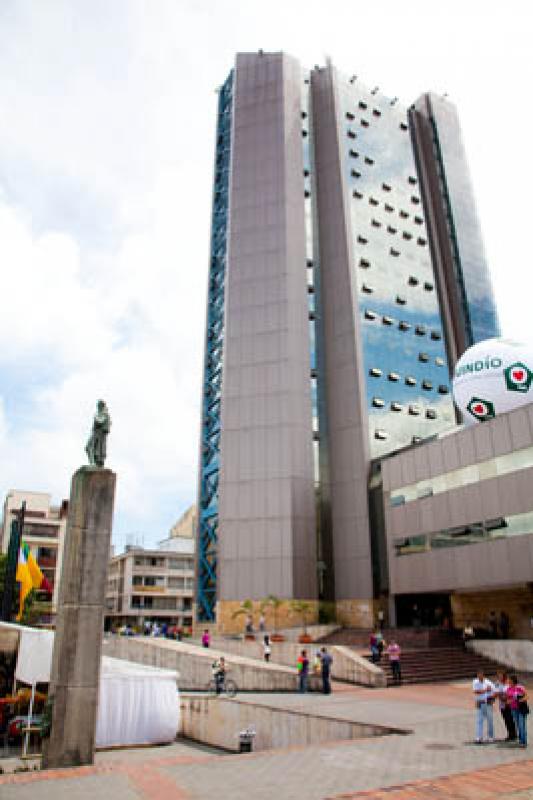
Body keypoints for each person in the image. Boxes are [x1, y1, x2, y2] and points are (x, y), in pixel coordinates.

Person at [472, 669, 495, 743]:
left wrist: (492, 699)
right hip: (479, 702)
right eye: (478, 675)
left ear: (483, 675)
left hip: (488, 703)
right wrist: (485, 690)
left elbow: (493, 690)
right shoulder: (475, 682)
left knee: (490, 720)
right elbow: (476, 691)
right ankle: (479, 737)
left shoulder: (488, 682)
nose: (479, 676)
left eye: (480, 675)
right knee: (479, 720)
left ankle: (490, 737)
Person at [507, 674, 529, 748]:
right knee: (518, 725)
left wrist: (520, 700)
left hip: (521, 709)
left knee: (522, 725)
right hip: (513, 709)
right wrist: (509, 702)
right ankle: (521, 740)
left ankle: (524, 742)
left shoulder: (520, 687)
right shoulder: (509, 689)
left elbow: (526, 696)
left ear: (513, 680)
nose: (508, 681)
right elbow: (508, 699)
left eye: (509, 679)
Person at [494, 671, 516, 742]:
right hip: (502, 704)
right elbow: (496, 692)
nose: (500, 677)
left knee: (511, 719)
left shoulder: (508, 683)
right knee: (506, 720)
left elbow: (511, 692)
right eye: (498, 676)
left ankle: (514, 734)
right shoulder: (497, 683)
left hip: (509, 704)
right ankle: (510, 734)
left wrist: (503, 694)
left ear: (504, 676)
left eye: (501, 676)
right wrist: (501, 694)